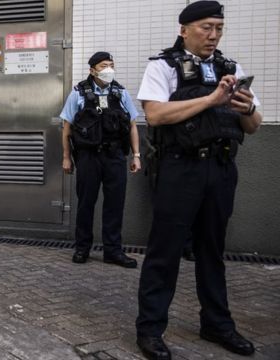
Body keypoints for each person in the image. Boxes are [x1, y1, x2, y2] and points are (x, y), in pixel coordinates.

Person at [135, 2, 262, 359]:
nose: (214, 35)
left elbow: (253, 126)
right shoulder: (163, 66)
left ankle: (217, 325)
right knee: (165, 251)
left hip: (220, 170)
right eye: (206, 27)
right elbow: (155, 114)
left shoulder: (231, 68)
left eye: (219, 28)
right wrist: (212, 99)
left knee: (212, 250)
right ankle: (149, 329)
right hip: (181, 169)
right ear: (184, 29)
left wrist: (247, 107)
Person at [60, 52, 142, 268]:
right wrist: (66, 157)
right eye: (104, 65)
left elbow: (133, 125)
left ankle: (113, 251)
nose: (109, 69)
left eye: (111, 65)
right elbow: (67, 127)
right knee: (86, 203)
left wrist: (136, 155)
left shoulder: (120, 92)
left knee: (115, 204)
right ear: (92, 70)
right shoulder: (78, 93)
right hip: (88, 157)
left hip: (115, 156)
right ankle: (82, 248)